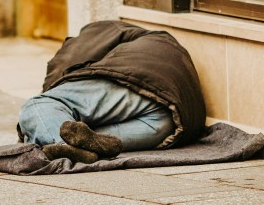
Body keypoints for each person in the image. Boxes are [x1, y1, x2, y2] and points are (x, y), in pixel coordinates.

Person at [17, 20, 207, 164]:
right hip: (172, 122)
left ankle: (60, 145)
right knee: (86, 138)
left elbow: (61, 70)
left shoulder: (96, 31)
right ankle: (77, 147)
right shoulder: (154, 41)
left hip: (140, 81)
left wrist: (43, 110)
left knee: (38, 105)